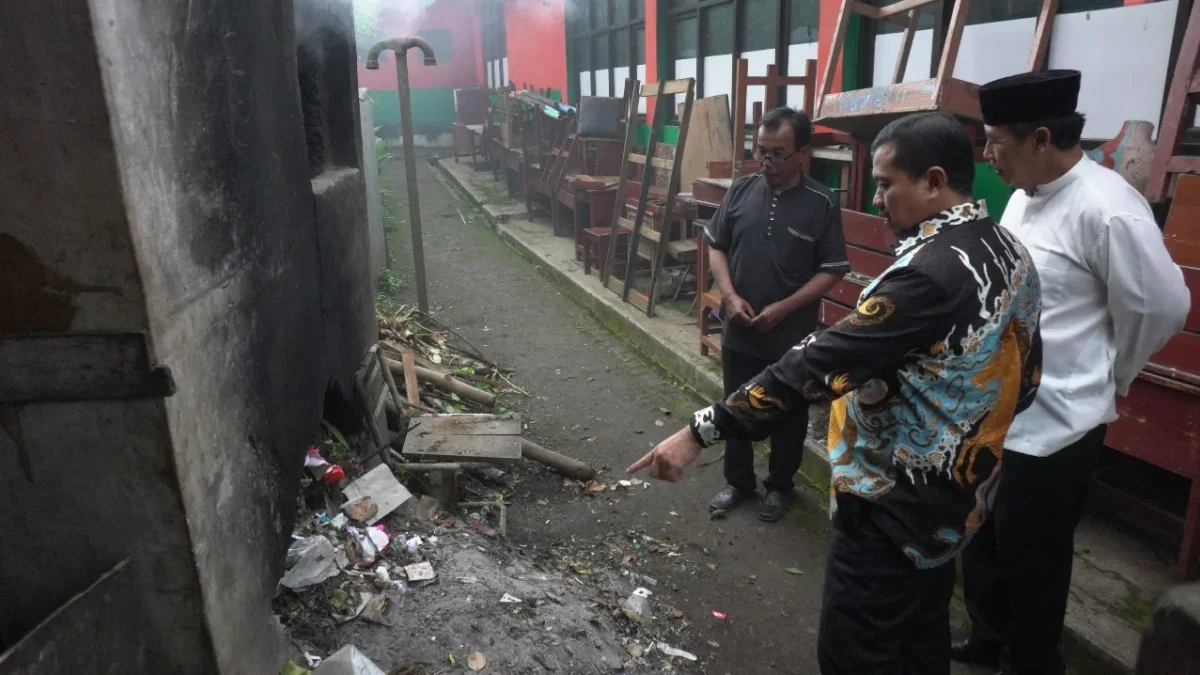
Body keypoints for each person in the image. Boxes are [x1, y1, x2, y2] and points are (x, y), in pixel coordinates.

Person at [630, 112, 1043, 674]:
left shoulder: (927, 274)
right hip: (953, 506)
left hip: (888, 512)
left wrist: (701, 430)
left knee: (856, 653)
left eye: (885, 182)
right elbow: (1026, 379)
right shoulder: (1009, 251)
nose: (876, 200)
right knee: (920, 639)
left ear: (933, 181)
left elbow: (816, 365)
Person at [954, 70, 1191, 675]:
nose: (987, 156)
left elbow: (1161, 305)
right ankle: (987, 636)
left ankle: (1030, 661)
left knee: (1033, 556)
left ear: (1039, 138)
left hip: (1061, 423)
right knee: (980, 535)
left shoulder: (1107, 207)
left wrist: (1114, 375)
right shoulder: (1022, 194)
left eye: (994, 142)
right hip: (998, 408)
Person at [702, 106, 850, 522]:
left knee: (789, 413)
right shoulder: (741, 189)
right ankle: (739, 482)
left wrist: (784, 309)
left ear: (803, 153)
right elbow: (716, 245)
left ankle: (780, 486)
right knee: (734, 403)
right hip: (740, 326)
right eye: (760, 151)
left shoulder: (821, 203)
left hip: (791, 335)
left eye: (777, 154)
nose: (767, 163)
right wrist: (729, 297)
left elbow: (832, 270)